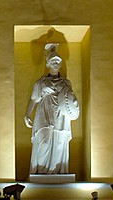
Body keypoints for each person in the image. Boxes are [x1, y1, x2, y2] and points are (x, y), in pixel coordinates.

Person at [24, 43, 79, 174]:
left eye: (57, 61)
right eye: (53, 61)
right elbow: (33, 99)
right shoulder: (41, 82)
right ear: (48, 64)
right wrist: (27, 114)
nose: (55, 63)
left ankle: (57, 172)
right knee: (44, 143)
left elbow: (70, 100)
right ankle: (41, 172)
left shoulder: (66, 83)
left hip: (61, 116)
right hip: (44, 115)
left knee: (60, 143)